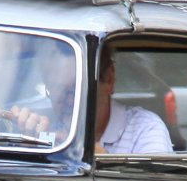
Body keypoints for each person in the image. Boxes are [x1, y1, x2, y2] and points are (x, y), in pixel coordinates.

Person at [12, 45, 172, 154]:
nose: (70, 103)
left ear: (109, 80)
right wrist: (29, 145)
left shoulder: (145, 129)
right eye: (59, 92)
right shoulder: (50, 129)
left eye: (76, 91)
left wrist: (89, 152)